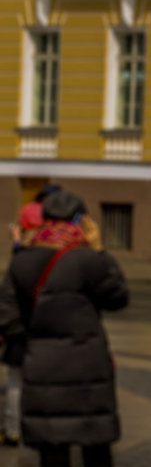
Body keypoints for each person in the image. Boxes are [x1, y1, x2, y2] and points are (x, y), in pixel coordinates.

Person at [0, 188, 131, 467]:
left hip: (44, 371)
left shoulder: (21, 263)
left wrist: (33, 343)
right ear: (81, 221)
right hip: (89, 372)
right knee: (98, 462)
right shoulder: (89, 261)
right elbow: (118, 298)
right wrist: (101, 250)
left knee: (52, 466)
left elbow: (5, 316)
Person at [3, 183, 61, 447]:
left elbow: (8, 295)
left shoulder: (21, 257)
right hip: (49, 328)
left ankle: (12, 429)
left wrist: (8, 327)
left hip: (20, 328)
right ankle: (46, 428)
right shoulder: (62, 251)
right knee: (49, 382)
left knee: (15, 381)